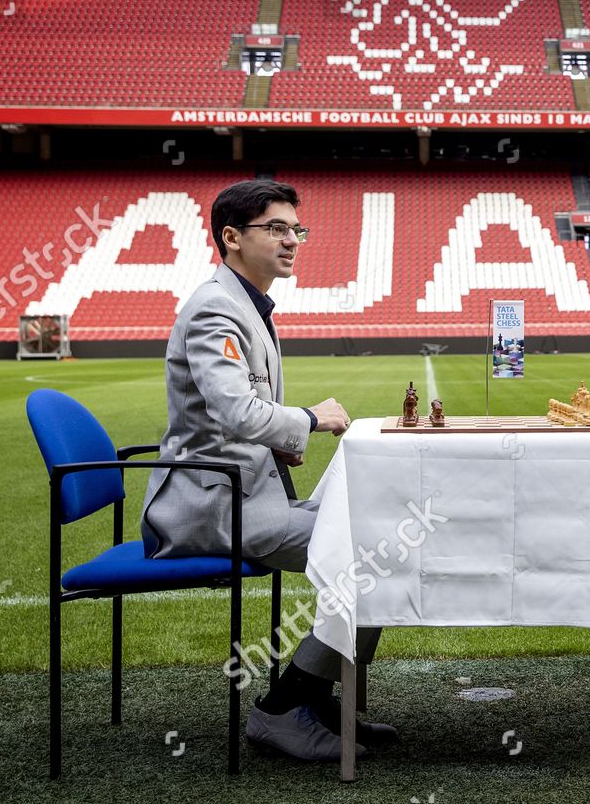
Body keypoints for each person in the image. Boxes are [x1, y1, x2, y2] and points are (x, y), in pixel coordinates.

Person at [140, 180, 395, 762]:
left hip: (245, 490)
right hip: (215, 507)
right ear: (231, 237)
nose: (292, 240)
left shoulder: (244, 302)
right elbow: (234, 410)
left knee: (383, 542)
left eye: (295, 230)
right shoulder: (215, 307)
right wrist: (308, 419)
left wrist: (277, 446)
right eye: (276, 228)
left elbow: (222, 419)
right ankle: (283, 710)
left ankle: (316, 701)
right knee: (378, 557)